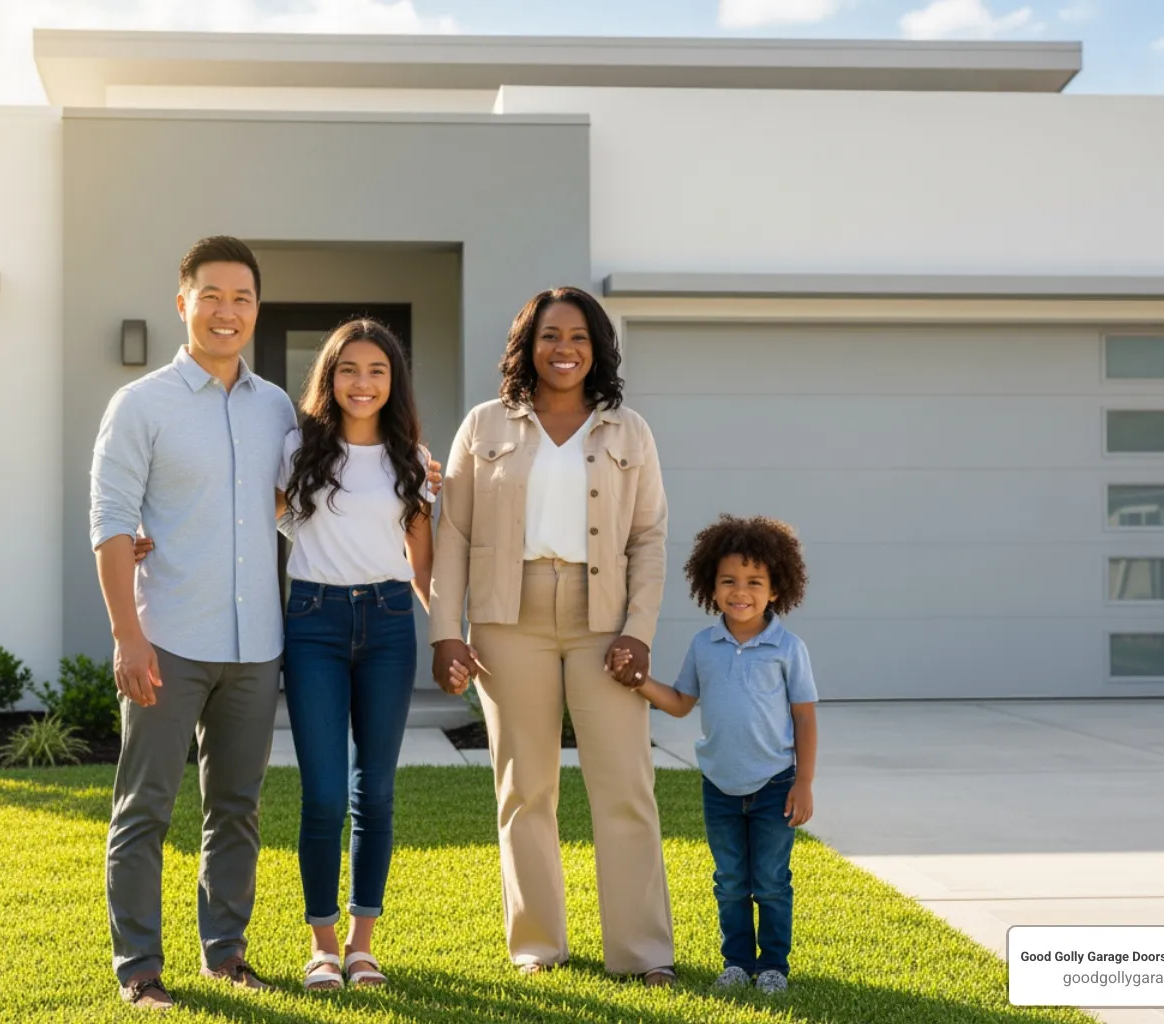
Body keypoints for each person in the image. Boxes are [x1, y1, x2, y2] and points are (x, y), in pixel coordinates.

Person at [428, 286, 676, 984]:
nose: (563, 349)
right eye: (548, 336)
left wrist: (639, 630)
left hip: (605, 622)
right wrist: (446, 631)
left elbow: (650, 538)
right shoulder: (484, 427)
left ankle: (644, 952)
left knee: (625, 785)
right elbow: (453, 533)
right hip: (510, 618)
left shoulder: (631, 431)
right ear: (526, 346)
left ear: (597, 350)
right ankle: (537, 946)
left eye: (578, 338)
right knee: (524, 788)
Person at [90, 236, 294, 1010]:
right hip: (167, 639)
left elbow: (306, 499)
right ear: (183, 303)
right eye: (211, 295)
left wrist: (413, 465)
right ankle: (139, 967)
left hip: (255, 648)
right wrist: (126, 635)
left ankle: (226, 953)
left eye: (241, 298)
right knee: (145, 807)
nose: (227, 311)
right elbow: (110, 518)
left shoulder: (276, 406)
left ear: (256, 310)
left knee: (236, 809)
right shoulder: (140, 405)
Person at [276, 319, 434, 992]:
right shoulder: (295, 451)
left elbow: (423, 569)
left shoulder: (413, 460)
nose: (362, 383)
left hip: (392, 624)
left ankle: (363, 945)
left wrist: (453, 634)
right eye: (349, 369)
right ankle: (322, 944)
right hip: (312, 622)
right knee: (323, 794)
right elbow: (261, 525)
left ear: (392, 381)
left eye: (376, 370)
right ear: (329, 378)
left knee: (378, 792)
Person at [614, 513, 818, 995]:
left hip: (774, 784)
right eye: (728, 580)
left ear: (775, 589)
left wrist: (804, 782)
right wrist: (639, 682)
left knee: (769, 881)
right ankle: (736, 963)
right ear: (711, 585)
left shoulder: (787, 648)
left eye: (754, 581)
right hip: (719, 786)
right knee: (729, 881)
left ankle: (773, 967)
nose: (740, 591)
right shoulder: (704, 646)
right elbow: (682, 703)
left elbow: (805, 717)